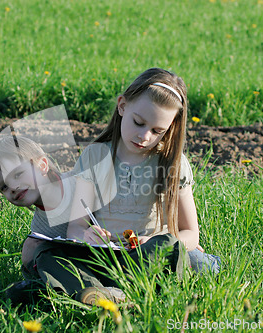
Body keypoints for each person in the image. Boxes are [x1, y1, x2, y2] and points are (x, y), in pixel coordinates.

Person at [67, 68, 220, 280]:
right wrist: (86, 236)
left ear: (171, 127)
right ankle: (115, 285)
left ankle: (121, 285)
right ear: (122, 106)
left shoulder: (172, 163)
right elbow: (75, 227)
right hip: (106, 254)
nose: (144, 136)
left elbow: (191, 234)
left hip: (154, 254)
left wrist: (158, 243)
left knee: (199, 264)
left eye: (158, 131)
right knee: (58, 259)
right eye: (138, 123)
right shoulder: (95, 156)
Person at [0, 135, 77, 303]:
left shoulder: (78, 185)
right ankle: (48, 289)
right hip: (84, 265)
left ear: (42, 166)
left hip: (120, 249)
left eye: (17, 175)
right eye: (3, 186)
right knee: (32, 249)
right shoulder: (41, 227)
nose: (12, 187)